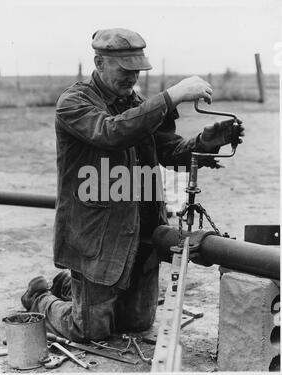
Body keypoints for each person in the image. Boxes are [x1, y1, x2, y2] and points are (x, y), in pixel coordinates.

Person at [21, 28, 244, 342]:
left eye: (137, 70)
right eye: (124, 70)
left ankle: (72, 287)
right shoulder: (74, 102)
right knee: (89, 331)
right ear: (98, 62)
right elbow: (112, 133)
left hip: (141, 230)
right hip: (100, 234)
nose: (132, 77)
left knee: (137, 323)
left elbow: (169, 151)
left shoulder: (136, 103)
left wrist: (205, 144)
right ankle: (41, 296)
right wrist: (171, 96)